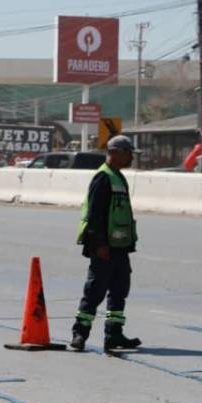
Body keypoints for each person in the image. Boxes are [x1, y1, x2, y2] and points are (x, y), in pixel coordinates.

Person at [70, 135, 143, 353]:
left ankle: (114, 334)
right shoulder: (103, 178)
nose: (131, 157)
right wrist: (98, 244)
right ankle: (79, 334)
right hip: (104, 247)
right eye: (128, 153)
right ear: (116, 153)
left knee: (119, 291)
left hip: (119, 247)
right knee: (95, 291)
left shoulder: (118, 177)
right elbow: (95, 215)